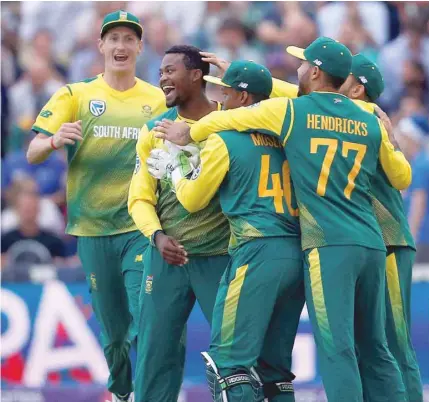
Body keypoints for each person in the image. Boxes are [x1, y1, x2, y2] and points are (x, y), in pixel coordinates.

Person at [155, 37, 410, 402]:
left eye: (304, 65)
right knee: (375, 349)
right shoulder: (368, 118)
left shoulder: (290, 114)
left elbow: (234, 119)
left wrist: (184, 145)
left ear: (317, 72)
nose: (298, 69)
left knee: (322, 352)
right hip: (368, 242)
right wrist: (392, 138)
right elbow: (402, 177)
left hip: (321, 245)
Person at [26, 10, 167, 402]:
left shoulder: (156, 99)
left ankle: (149, 394)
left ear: (140, 46)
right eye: (114, 39)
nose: (121, 46)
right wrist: (54, 141)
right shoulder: (76, 95)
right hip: (91, 229)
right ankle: (122, 391)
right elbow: (33, 150)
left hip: (141, 227)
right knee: (115, 332)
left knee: (148, 317)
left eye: (129, 39)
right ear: (101, 45)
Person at [149, 60, 305, 402]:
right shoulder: (290, 137)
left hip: (256, 252)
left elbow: (191, 198)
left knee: (228, 366)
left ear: (244, 98)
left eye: (228, 92)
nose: (221, 99)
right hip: (298, 253)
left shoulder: (225, 139)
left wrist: (175, 166)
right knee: (275, 371)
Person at [127, 45, 230, 402]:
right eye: (160, 72)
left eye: (171, 70)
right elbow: (139, 197)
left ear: (197, 74)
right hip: (166, 257)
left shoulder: (230, 121)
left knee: (232, 354)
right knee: (155, 354)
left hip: (220, 255)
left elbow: (293, 98)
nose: (163, 78)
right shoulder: (154, 130)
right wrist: (156, 236)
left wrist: (229, 72)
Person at [338, 54, 423, 402]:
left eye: (341, 76)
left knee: (394, 341)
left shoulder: (367, 117)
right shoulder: (341, 117)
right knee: (369, 343)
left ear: (357, 89)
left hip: (388, 240)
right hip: (368, 241)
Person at [396, 116, 429, 263]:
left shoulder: (421, 165)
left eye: (401, 135)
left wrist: (410, 239)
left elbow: (419, 204)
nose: (398, 139)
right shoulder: (425, 161)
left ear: (411, 138)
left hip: (424, 238)